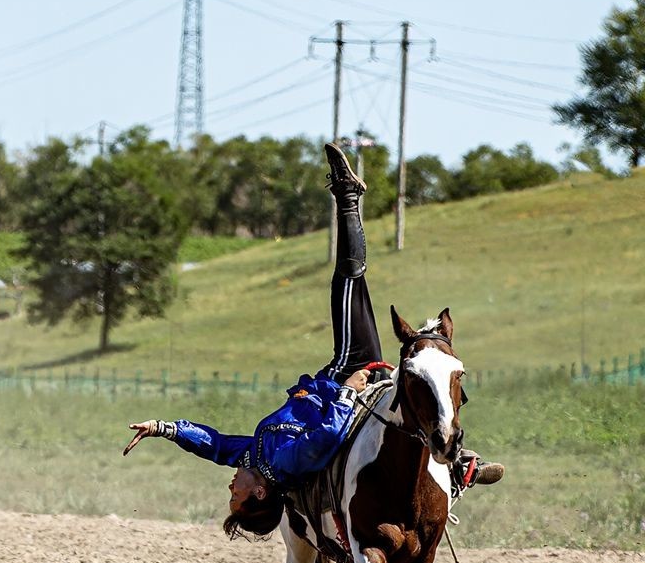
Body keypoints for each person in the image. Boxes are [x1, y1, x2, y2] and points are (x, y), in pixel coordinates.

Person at [124, 143, 502, 528]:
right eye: (235, 497)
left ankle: (457, 463)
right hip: (346, 376)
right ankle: (347, 195)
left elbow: (214, 445)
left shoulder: (255, 458)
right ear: (259, 494)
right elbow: (324, 437)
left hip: (336, 378)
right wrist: (349, 391)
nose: (231, 488)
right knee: (347, 281)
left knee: (349, 283)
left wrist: (164, 429)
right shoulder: (285, 464)